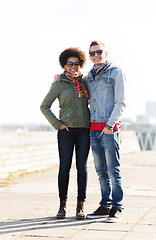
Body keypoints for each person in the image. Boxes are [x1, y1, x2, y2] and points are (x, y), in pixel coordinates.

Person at [40, 47, 90, 219]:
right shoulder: (58, 84)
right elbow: (44, 106)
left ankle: (80, 207)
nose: (74, 67)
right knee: (64, 168)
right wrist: (58, 124)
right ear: (64, 64)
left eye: (77, 64)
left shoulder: (85, 82)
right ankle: (62, 206)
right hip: (66, 131)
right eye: (70, 63)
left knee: (82, 168)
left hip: (84, 130)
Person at [84, 41, 126, 223]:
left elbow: (121, 102)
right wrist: (58, 77)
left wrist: (110, 126)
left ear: (105, 53)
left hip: (109, 129)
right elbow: (74, 84)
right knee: (100, 171)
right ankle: (105, 205)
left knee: (113, 170)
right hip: (93, 128)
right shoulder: (89, 76)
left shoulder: (116, 72)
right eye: (92, 53)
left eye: (99, 52)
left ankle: (117, 207)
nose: (96, 55)